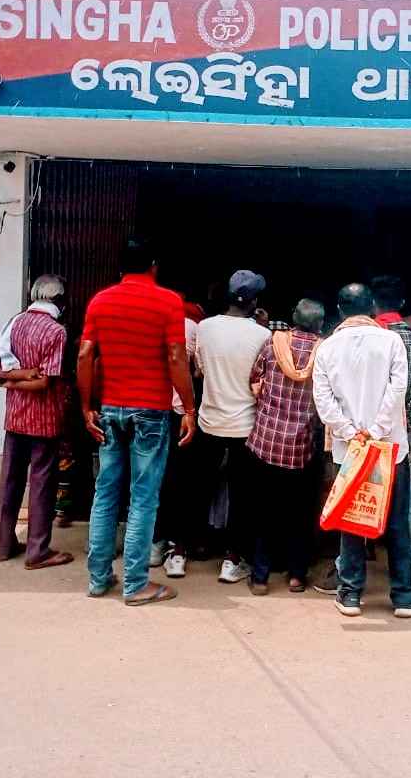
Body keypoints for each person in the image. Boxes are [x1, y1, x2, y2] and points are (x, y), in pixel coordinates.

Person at [78, 239, 197, 606]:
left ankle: (99, 579)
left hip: (110, 409)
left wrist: (86, 406)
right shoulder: (168, 301)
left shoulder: (100, 301)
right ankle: (135, 584)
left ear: (120, 267)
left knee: (105, 494)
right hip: (150, 411)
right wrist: (189, 408)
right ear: (153, 265)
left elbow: (85, 354)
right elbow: (176, 356)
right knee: (143, 498)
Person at [312, 284, 411, 620]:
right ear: (372, 307)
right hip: (391, 448)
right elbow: (398, 390)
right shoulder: (391, 342)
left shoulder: (328, 348)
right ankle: (404, 596)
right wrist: (376, 431)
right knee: (397, 522)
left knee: (352, 519)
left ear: (340, 309)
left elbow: (323, 402)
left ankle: (350, 594)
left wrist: (352, 433)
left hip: (349, 450)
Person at [0, 274, 76, 571]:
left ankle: (3, 545)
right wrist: (24, 377)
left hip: (14, 417)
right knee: (42, 485)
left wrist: (9, 380)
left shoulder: (14, 323)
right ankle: (38, 551)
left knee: (10, 482)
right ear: (61, 301)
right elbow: (44, 382)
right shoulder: (56, 332)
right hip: (44, 420)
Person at [194, 270, 271, 584]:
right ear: (254, 302)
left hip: (209, 421)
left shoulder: (205, 327)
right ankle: (232, 559)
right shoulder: (262, 335)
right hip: (245, 426)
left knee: (201, 487)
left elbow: (199, 370)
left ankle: (194, 545)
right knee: (243, 495)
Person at [245, 299, 325, 595]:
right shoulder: (324, 351)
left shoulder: (273, 343)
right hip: (302, 446)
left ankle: (260, 577)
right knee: (300, 513)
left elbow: (255, 380)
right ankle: (296, 575)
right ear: (320, 324)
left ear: (294, 317)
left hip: (267, 442)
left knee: (264, 510)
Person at [371, 275, 411, 584]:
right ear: (401, 303)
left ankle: (350, 566)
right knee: (409, 500)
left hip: (369, 428)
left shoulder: (369, 336)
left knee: (360, 493)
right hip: (402, 427)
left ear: (372, 303)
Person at [151, 300, 203, 577]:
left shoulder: (153, 324)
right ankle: (178, 550)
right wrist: (190, 410)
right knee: (182, 480)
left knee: (152, 479)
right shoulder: (194, 328)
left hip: (151, 411)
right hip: (181, 414)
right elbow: (196, 370)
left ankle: (154, 543)